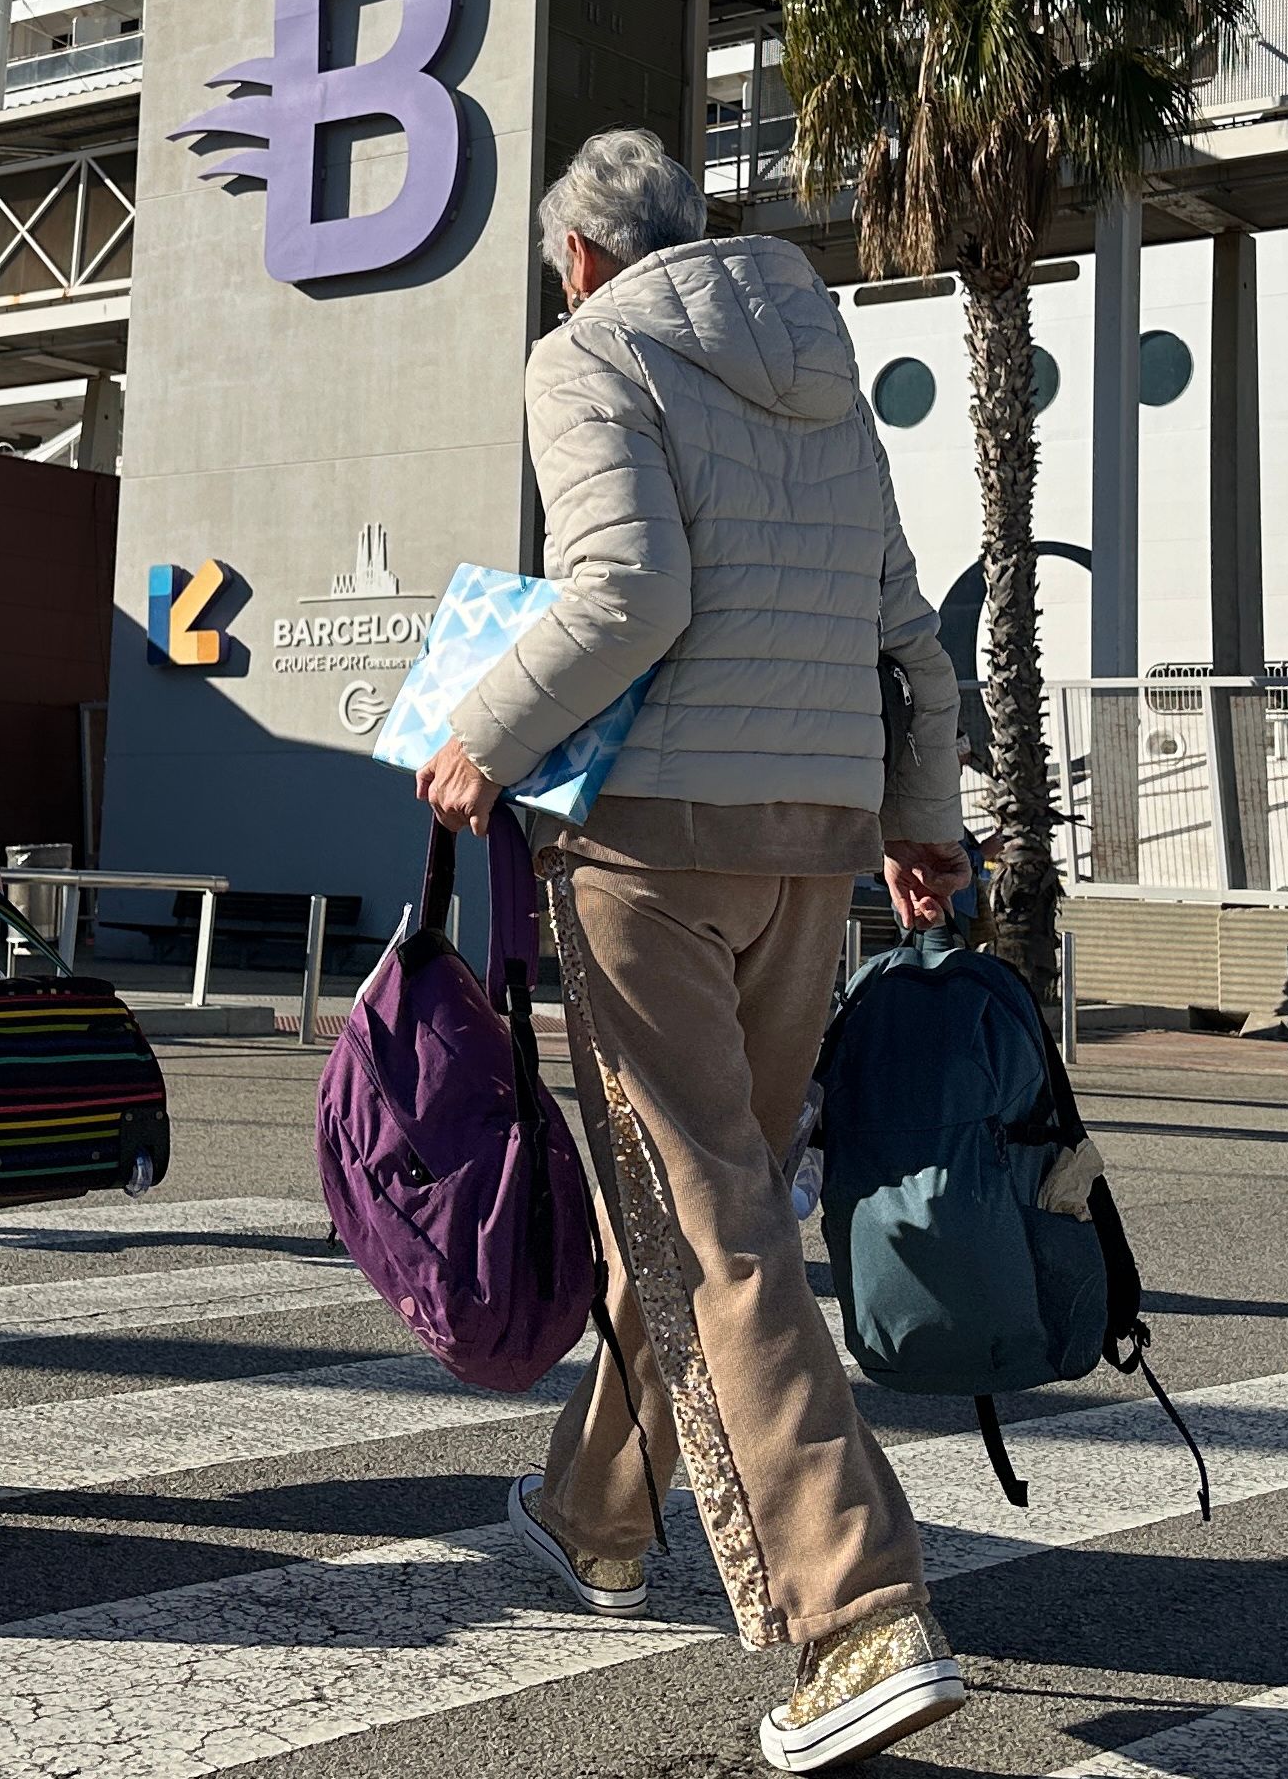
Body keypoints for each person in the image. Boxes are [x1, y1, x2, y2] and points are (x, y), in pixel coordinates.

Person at [413, 128, 973, 1776]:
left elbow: (629, 590)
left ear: (582, 254)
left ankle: (854, 1608)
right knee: (706, 1198)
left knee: (713, 1214)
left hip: (647, 844)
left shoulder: (585, 352)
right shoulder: (820, 364)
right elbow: (903, 630)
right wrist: (917, 813)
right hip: (807, 842)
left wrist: (480, 737)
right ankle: (595, 1509)